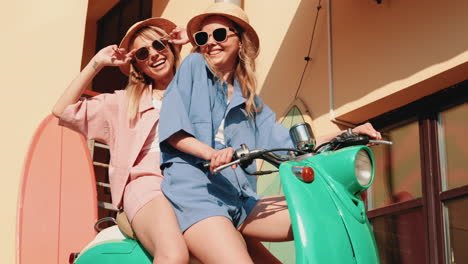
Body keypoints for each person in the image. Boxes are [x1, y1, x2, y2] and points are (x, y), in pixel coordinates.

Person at [158, 2, 382, 264]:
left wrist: (346, 135)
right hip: (197, 194)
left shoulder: (252, 102)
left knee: (320, 212)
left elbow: (292, 146)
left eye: (219, 34)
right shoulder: (194, 66)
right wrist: (212, 153)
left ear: (239, 42)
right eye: (202, 38)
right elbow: (173, 131)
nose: (209, 43)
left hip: (241, 201)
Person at [52, 17, 190, 264]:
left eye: (159, 45)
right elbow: (62, 110)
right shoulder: (124, 103)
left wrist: (193, 41)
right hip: (146, 185)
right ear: (137, 65)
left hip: (192, 184)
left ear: (171, 47)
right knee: (173, 255)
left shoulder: (196, 90)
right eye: (142, 53)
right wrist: (96, 63)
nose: (154, 55)